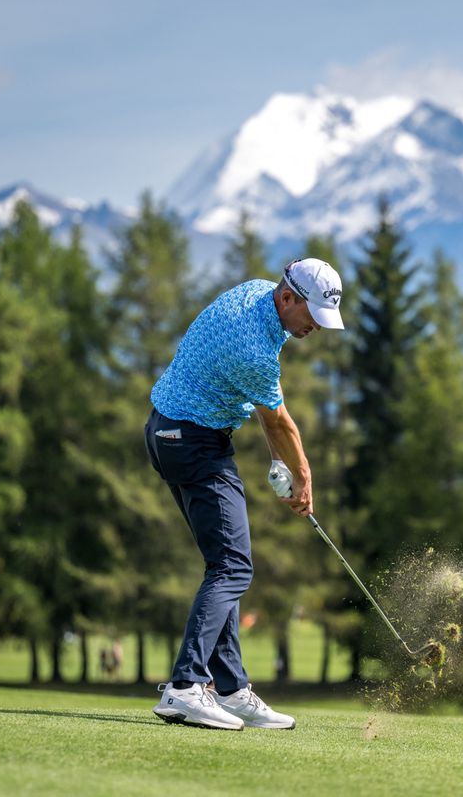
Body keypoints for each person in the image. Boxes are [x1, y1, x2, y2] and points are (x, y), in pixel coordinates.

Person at [145, 257, 343, 731]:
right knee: (234, 566)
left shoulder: (257, 293)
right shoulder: (254, 348)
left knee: (224, 564)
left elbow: (259, 407)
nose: (315, 326)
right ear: (288, 297)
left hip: (168, 431)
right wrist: (303, 476)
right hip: (193, 442)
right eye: (312, 315)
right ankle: (186, 687)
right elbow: (277, 420)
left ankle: (230, 689)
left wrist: (281, 462)